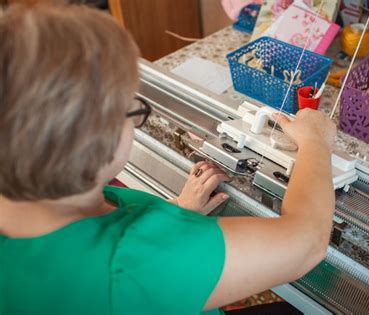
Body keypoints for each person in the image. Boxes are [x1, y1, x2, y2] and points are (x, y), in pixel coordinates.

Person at [0, 4, 336, 315]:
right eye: (132, 109)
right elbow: (307, 241)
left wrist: (174, 211)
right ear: (97, 140)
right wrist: (315, 143)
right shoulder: (133, 263)